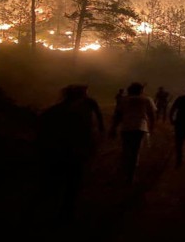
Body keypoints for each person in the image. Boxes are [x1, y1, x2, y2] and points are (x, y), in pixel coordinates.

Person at [36, 84, 104, 221]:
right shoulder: (83, 110)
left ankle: (45, 212)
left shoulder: (53, 111)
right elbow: (88, 133)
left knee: (54, 182)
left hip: (55, 152)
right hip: (76, 152)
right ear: (82, 95)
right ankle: (66, 212)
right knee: (73, 184)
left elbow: (41, 129)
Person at [109, 82, 156, 184]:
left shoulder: (123, 100)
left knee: (126, 150)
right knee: (135, 151)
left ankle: (126, 172)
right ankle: (131, 174)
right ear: (141, 90)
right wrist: (151, 127)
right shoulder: (147, 99)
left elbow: (117, 115)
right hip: (140, 127)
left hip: (126, 127)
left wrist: (113, 128)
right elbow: (152, 115)